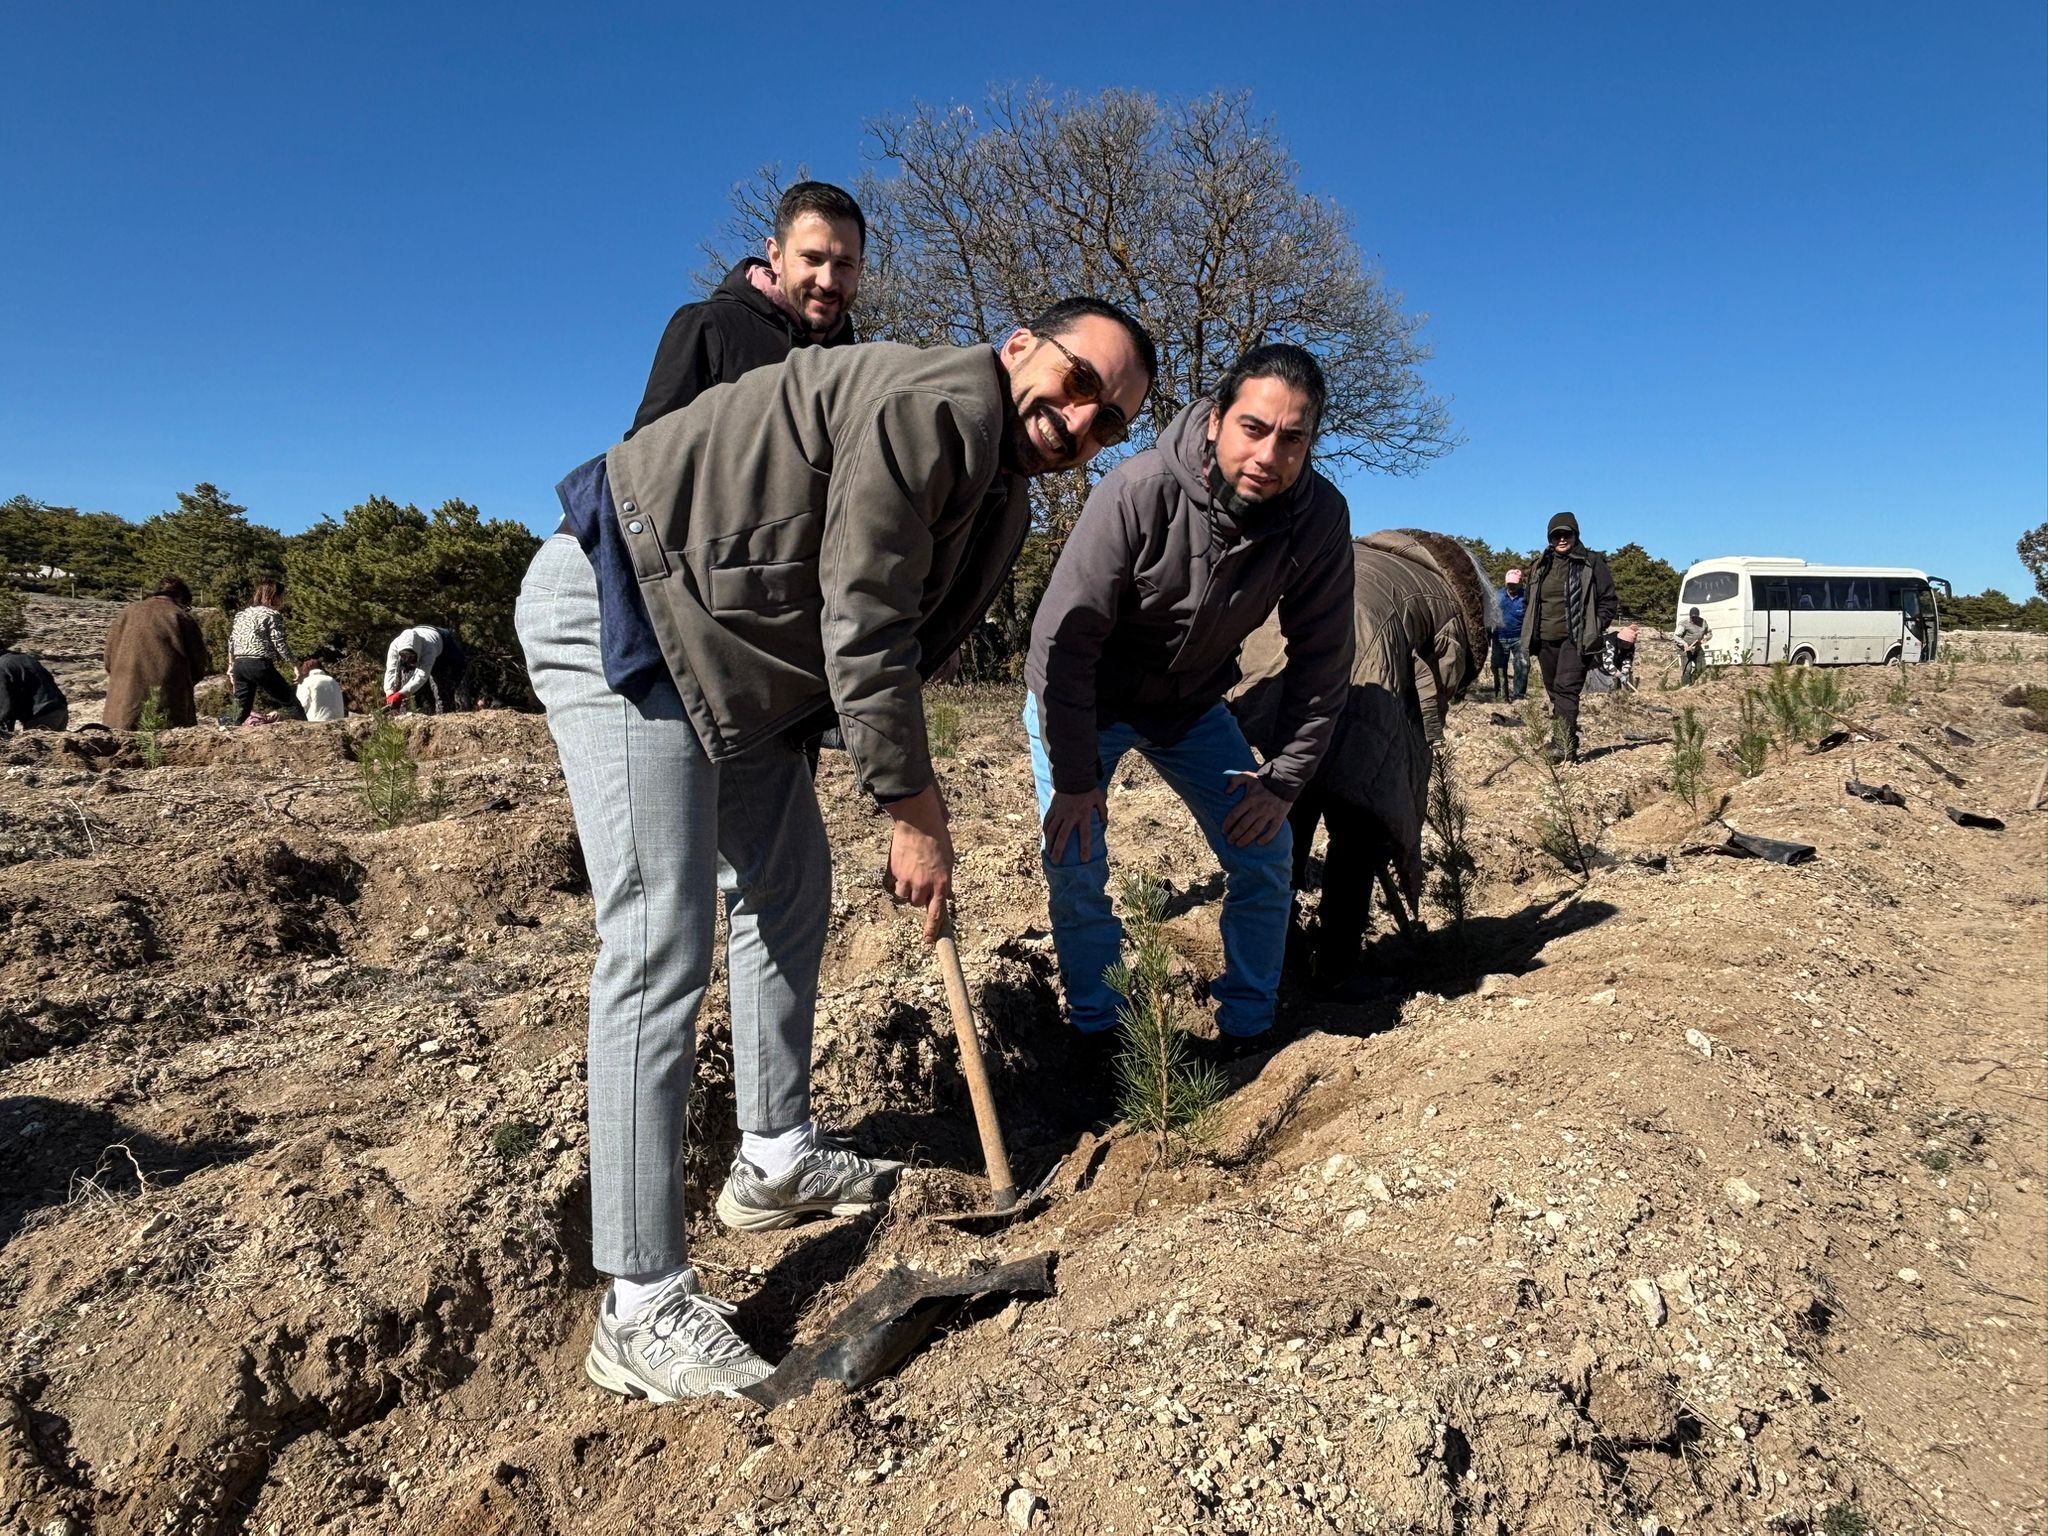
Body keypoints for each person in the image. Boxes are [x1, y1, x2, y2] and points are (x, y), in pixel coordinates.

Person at [516, 296, 1156, 1401]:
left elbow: (890, 630)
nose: (1082, 420)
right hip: (629, 603)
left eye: (1111, 422)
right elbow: (863, 615)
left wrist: (886, 775)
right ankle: (639, 1303)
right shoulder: (940, 406)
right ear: (1020, 348)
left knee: (788, 884)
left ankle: (773, 1159)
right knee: (660, 934)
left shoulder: (1000, 487)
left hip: (732, 654)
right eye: (1079, 381)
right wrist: (913, 806)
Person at [1026, 344, 1353, 1053]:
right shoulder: (1138, 490)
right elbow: (1062, 646)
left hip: (1190, 707)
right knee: (1076, 861)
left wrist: (1284, 781)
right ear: (1215, 421)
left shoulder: (1319, 517)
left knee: (1266, 850)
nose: (1268, 455)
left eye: (1292, 439)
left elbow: (1324, 657)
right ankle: (1099, 1033)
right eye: (1253, 428)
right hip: (1087, 701)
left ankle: (1249, 1027)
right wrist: (1076, 781)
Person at [1234, 530, 1495, 989]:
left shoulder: (1358, 556)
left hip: (1278, 665)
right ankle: (1338, 967)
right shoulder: (1446, 598)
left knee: (1287, 811)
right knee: (1358, 828)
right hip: (1362, 684)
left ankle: (1275, 954)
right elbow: (1440, 687)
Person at [630, 181, 864, 437]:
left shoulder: (857, 363)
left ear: (860, 269)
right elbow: (647, 454)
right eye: (812, 259)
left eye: (844, 264)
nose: (827, 281)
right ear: (776, 257)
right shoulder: (708, 327)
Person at [1517, 512, 1617, 763]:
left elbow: (1608, 600)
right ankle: (1565, 738)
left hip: (1576, 639)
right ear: (1549, 538)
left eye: (1566, 534)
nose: (1562, 539)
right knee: (1555, 691)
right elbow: (1530, 601)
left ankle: (1562, 746)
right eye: (1556, 535)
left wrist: (1595, 626)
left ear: (1576, 535)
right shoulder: (1540, 565)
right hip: (1544, 639)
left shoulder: (1591, 562)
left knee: (1566, 688)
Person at [103, 577, 211, 731]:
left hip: (122, 700)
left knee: (121, 738)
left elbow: (108, 658)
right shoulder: (180, 616)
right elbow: (198, 663)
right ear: (181, 597)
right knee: (165, 740)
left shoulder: (128, 611)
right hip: (166, 699)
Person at [227, 582, 306, 724]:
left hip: (239, 664)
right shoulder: (272, 615)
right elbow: (279, 642)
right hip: (259, 663)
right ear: (274, 596)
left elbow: (232, 640)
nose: (283, 600)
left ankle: (227, 730)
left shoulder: (241, 614)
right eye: (282, 596)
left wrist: (230, 665)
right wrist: (295, 664)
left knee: (241, 708)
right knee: (290, 700)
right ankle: (306, 730)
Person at [382, 625, 473, 714]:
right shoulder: (395, 645)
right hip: (421, 643)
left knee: (444, 690)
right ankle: (409, 715)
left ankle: (444, 715)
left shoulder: (429, 648)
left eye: (411, 656)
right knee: (409, 692)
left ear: (416, 651)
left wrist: (401, 694)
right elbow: (391, 670)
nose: (408, 659)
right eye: (404, 656)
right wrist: (389, 692)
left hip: (443, 649)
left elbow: (422, 675)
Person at [0, 644, 67, 732]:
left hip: (41, 716)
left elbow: (5, 705)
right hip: (60, 709)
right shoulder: (24, 658)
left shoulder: (2, 666)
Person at [1492, 568, 1527, 702]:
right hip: (1500, 637)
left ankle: (1519, 696)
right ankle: (1502, 697)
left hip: (1519, 637)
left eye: (1514, 584)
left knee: (1522, 666)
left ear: (1520, 583)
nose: (1511, 586)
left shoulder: (1526, 597)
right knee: (1499, 667)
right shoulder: (1498, 596)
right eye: (1509, 584)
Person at [296, 653, 346, 721]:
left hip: (317, 721)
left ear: (305, 670)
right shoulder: (332, 680)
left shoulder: (305, 682)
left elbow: (303, 705)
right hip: (339, 720)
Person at [1599, 623, 1639, 691]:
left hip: (1616, 662)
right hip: (1600, 664)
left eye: (1630, 644)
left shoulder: (1630, 646)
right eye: (1626, 643)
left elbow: (1628, 659)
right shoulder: (1610, 641)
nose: (1628, 646)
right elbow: (1607, 663)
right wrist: (1619, 675)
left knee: (1620, 685)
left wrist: (1625, 672)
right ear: (1621, 640)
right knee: (1605, 686)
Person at [1677, 607, 1712, 684]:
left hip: (1697, 648)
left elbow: (1709, 633)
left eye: (1695, 617)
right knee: (1687, 669)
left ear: (1698, 616)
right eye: (1692, 617)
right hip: (1685, 649)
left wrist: (1706, 638)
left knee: (1701, 667)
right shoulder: (1683, 623)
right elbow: (1676, 636)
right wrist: (1684, 644)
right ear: (1690, 616)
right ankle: (1686, 685)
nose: (1694, 619)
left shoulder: (1703, 622)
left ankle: (1693, 681)